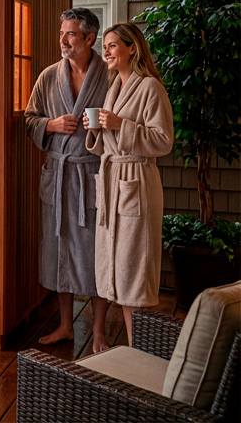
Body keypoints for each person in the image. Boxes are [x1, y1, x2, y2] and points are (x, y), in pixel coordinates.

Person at [25, 8, 110, 353]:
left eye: (70, 34)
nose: (62, 40)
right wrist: (50, 125)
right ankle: (65, 326)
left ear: (90, 38)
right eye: (62, 33)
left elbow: (123, 121)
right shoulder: (48, 77)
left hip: (92, 174)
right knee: (60, 250)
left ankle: (101, 331)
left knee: (96, 252)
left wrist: (105, 127)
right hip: (59, 176)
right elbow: (30, 118)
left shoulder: (110, 77)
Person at [84, 22, 173, 347]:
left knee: (133, 271)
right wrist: (94, 130)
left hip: (136, 182)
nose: (105, 52)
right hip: (113, 182)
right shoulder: (114, 88)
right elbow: (109, 141)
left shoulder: (150, 88)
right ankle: (114, 341)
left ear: (131, 48)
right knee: (115, 267)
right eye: (104, 46)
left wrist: (121, 124)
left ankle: (137, 350)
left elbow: (163, 141)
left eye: (111, 45)